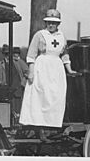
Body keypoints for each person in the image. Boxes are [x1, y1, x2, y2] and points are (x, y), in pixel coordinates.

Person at [19, 9, 76, 142]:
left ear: (58, 24)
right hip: (42, 66)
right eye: (49, 22)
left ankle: (52, 126)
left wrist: (70, 69)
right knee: (41, 96)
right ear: (46, 22)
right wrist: (31, 71)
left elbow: (65, 54)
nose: (51, 25)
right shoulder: (40, 35)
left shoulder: (62, 36)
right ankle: (40, 129)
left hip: (56, 68)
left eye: (54, 23)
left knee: (55, 96)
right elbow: (31, 54)